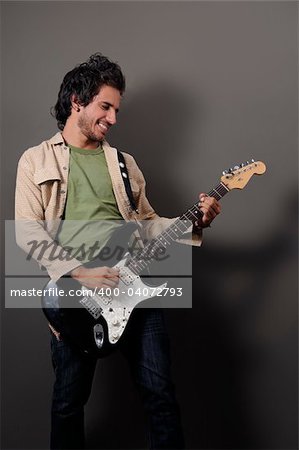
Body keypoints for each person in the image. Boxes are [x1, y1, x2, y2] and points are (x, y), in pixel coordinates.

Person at [15, 53, 221, 449]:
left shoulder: (124, 164)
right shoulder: (36, 160)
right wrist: (80, 272)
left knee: (160, 396)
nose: (113, 118)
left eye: (116, 109)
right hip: (77, 298)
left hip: (135, 287)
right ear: (77, 101)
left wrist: (195, 221)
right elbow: (27, 232)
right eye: (105, 106)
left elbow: (147, 225)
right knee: (68, 404)